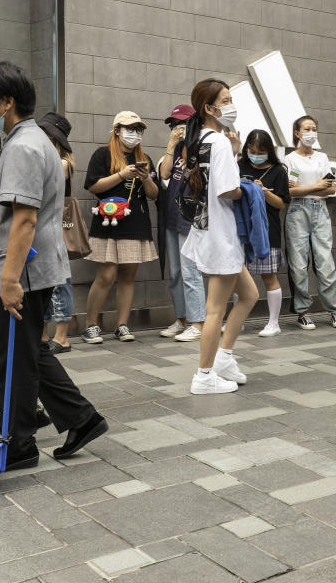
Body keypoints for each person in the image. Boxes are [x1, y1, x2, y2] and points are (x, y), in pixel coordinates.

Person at [0, 61, 107, 470]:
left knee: (15, 355)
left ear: (7, 102)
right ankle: (81, 419)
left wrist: (10, 280)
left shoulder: (24, 148)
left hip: (25, 272)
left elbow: (24, 219)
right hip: (28, 268)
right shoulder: (25, 141)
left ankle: (20, 444)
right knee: (24, 350)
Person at [180, 78, 256, 394]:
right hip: (220, 234)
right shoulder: (219, 141)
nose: (230, 105)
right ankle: (204, 375)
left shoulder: (199, 140)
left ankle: (223, 358)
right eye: (225, 100)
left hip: (207, 230)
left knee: (249, 294)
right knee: (215, 310)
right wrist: (253, 191)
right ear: (208, 108)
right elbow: (227, 190)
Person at [81, 112, 159, 344]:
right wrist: (122, 174)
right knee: (106, 274)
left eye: (138, 129)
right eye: (129, 128)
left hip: (135, 223)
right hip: (108, 222)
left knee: (128, 274)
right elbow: (94, 186)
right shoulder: (102, 154)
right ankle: (90, 325)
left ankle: (122, 325)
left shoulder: (144, 158)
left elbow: (154, 195)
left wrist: (146, 179)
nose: (134, 134)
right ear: (117, 130)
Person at [284, 115, 336, 330]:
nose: (311, 132)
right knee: (299, 264)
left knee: (325, 262)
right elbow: (290, 191)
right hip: (297, 210)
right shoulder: (290, 159)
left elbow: (331, 189)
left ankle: (334, 311)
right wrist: (317, 185)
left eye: (314, 128)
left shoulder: (322, 158)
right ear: (297, 133)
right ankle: (302, 312)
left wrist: (310, 187)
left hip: (320, 209)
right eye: (306, 129)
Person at [157, 104, 206, 342]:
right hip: (172, 216)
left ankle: (198, 323)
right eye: (174, 124)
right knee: (175, 272)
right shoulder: (174, 151)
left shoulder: (202, 149)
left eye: (183, 123)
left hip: (191, 217)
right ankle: (181, 319)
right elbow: (164, 174)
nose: (178, 128)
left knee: (190, 271)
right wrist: (170, 145)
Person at [238, 129, 290, 336]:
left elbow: (281, 204)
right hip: (242, 227)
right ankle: (238, 320)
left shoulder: (279, 171)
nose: (255, 154)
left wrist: (264, 192)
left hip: (268, 229)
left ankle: (273, 323)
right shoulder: (240, 165)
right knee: (237, 276)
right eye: (251, 150)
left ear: (269, 150)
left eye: (260, 151)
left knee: (269, 276)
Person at [37, 112, 76, 353]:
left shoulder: (63, 163)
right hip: (40, 227)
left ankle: (62, 337)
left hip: (55, 227)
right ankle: (42, 335)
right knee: (42, 281)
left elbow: (43, 182)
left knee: (60, 280)